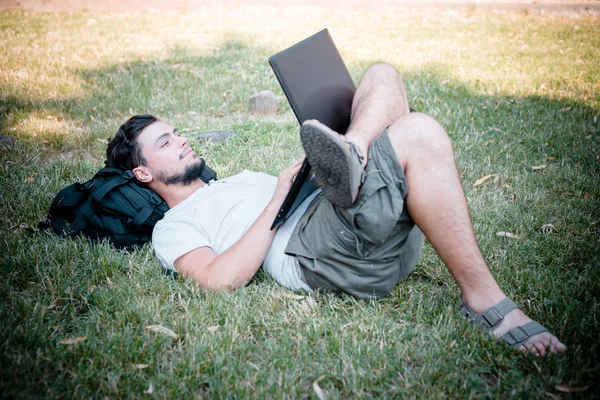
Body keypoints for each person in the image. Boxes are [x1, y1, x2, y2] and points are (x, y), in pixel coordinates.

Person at [106, 62, 566, 356]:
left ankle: (354, 146)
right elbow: (217, 281)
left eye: (176, 132)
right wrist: (279, 197)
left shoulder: (231, 181)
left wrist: (304, 173)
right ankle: (488, 303)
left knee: (383, 74)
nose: (182, 140)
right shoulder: (172, 227)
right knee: (417, 131)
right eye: (166, 142)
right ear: (142, 173)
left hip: (342, 219)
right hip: (319, 252)